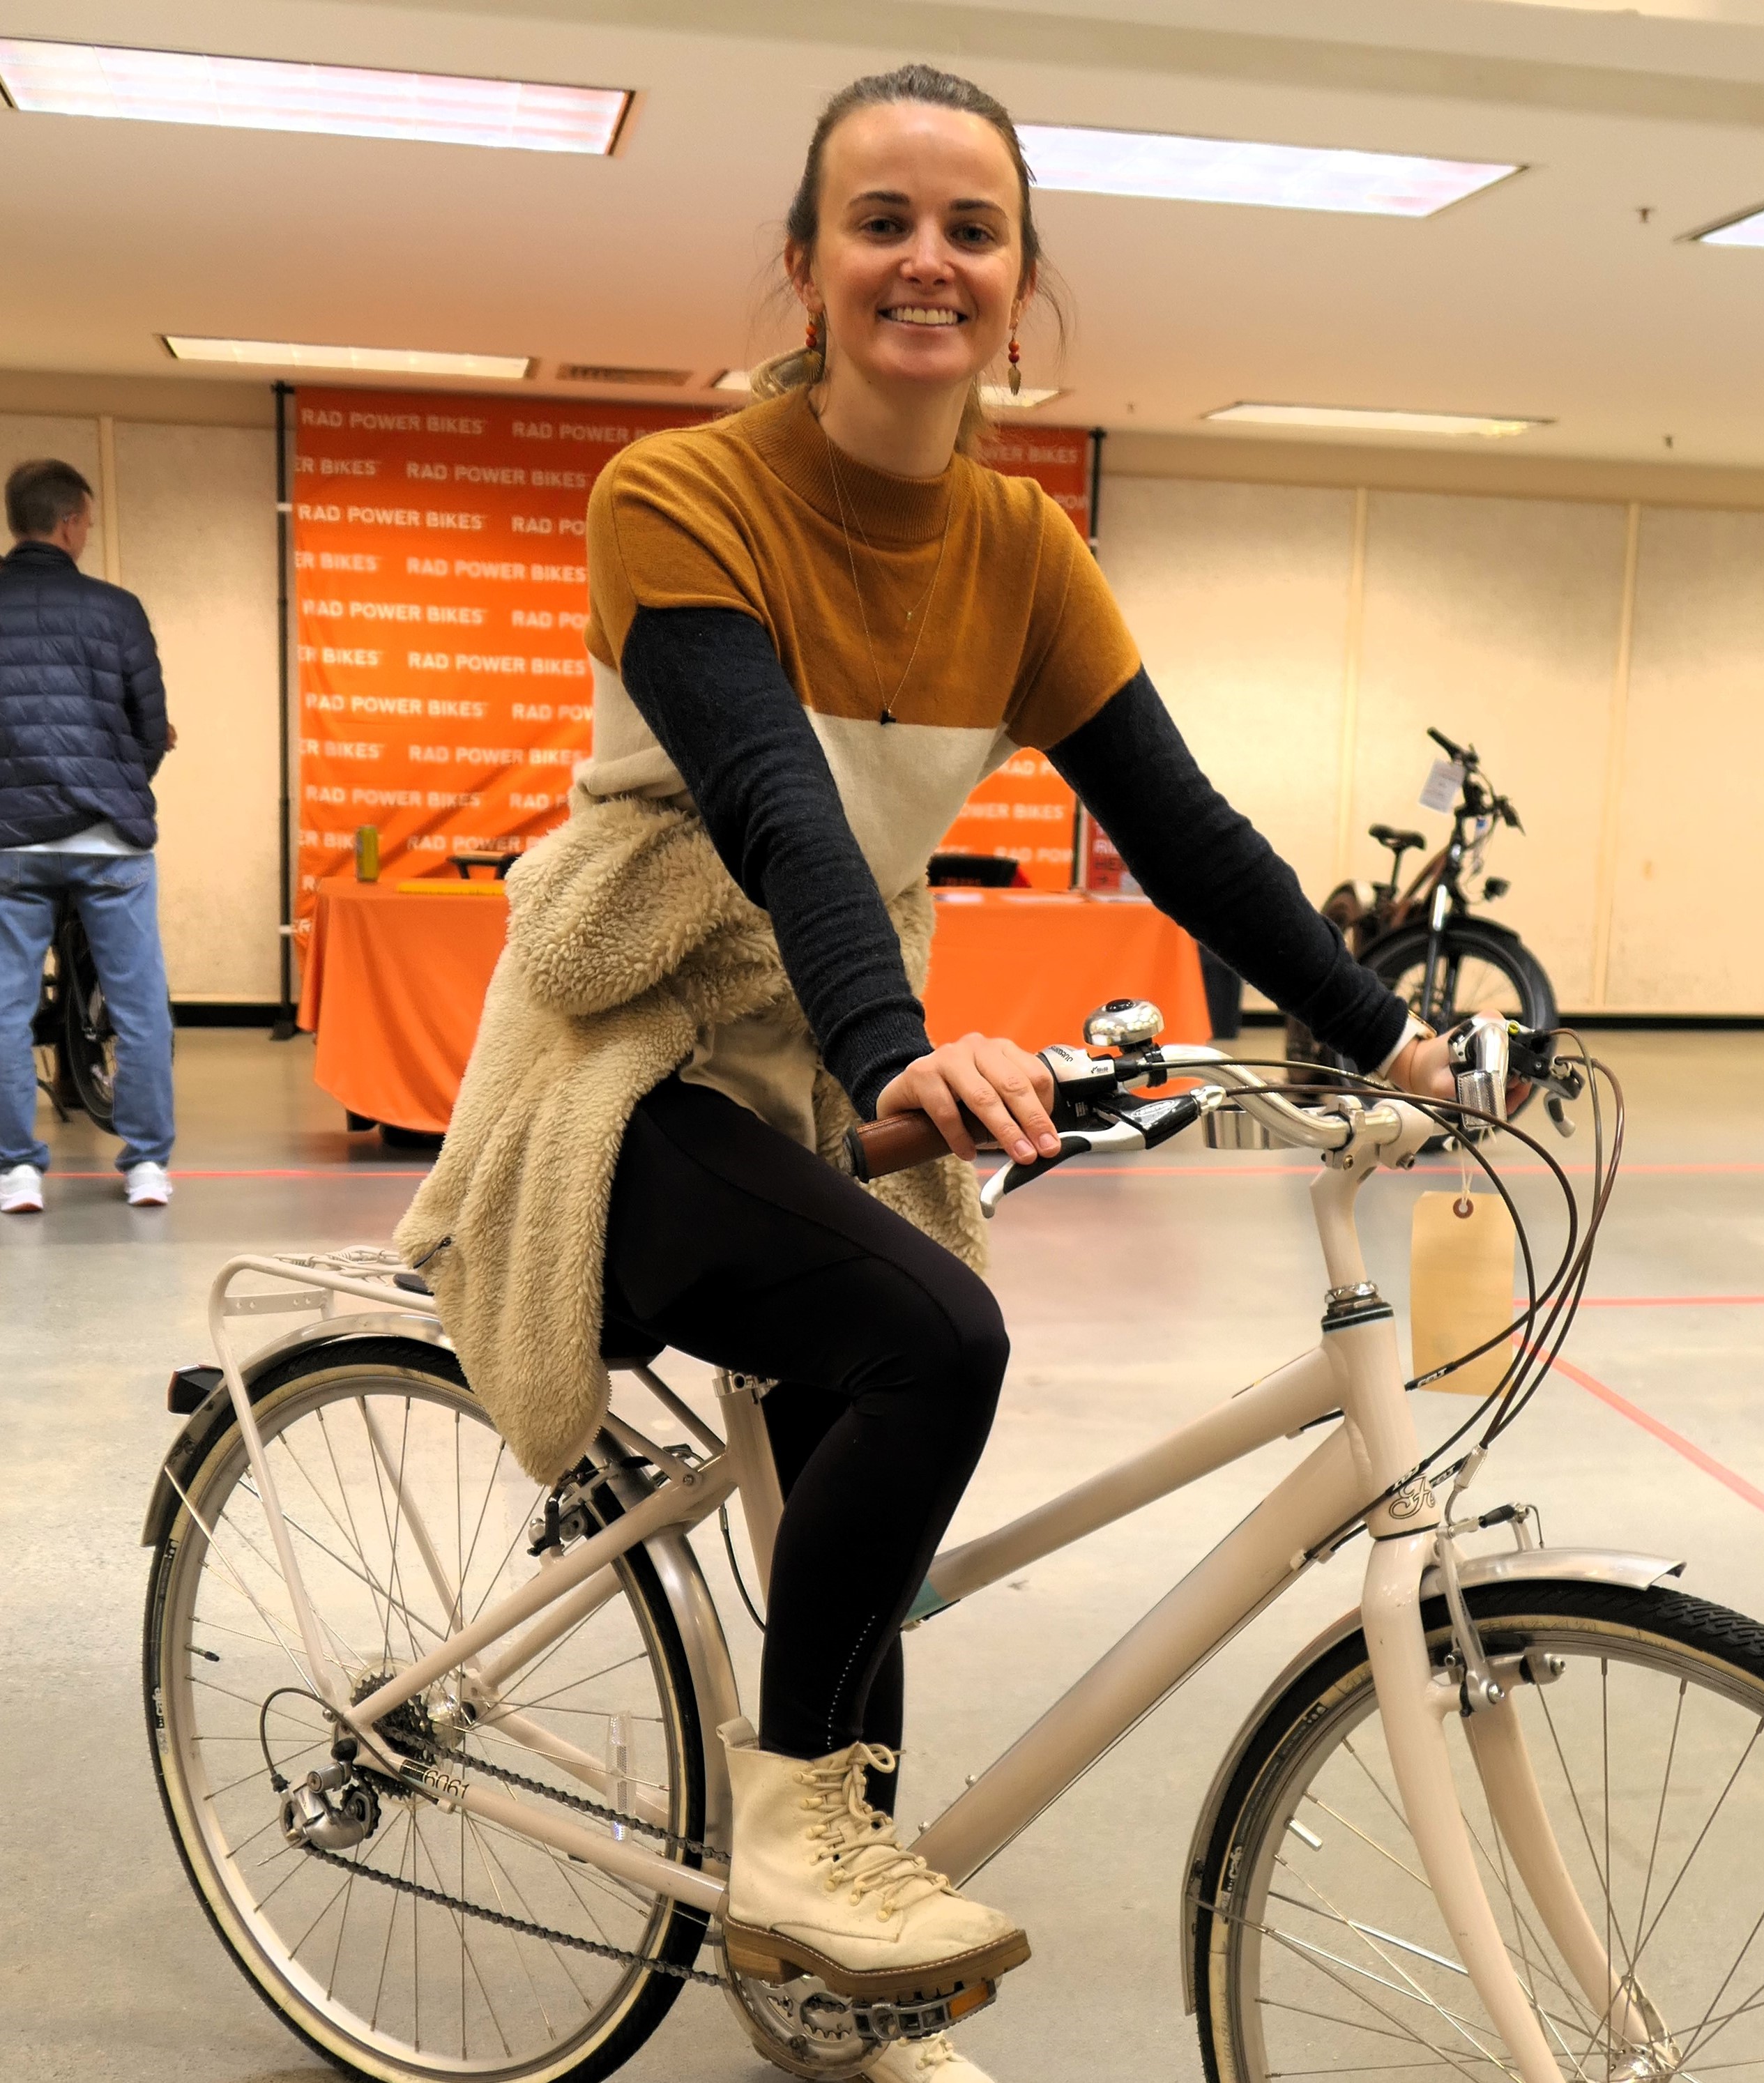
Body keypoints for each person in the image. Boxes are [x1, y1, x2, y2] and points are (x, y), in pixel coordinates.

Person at [399, 64, 1460, 2082]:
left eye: (971, 230)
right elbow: (776, 807)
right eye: (879, 221)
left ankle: (827, 1968)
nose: (926, 261)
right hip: (626, 1067)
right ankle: (800, 1844)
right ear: (804, 267)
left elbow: (1185, 832)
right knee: (929, 1335)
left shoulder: (1019, 549)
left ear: (1017, 280)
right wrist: (893, 1047)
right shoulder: (678, 495)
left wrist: (1389, 1031)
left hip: (811, 1080)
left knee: (855, 1531)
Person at [0, 457, 176, 1213]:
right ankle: (146, 1165)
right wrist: (116, 781)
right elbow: (151, 729)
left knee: (5, 1009)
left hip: (9, 842)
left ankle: (16, 1170)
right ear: (70, 523)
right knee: (138, 1006)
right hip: (109, 841)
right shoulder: (117, 608)